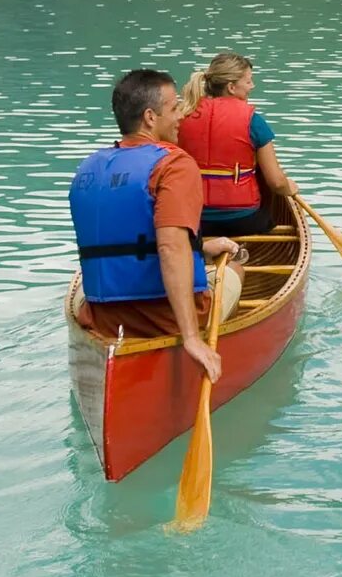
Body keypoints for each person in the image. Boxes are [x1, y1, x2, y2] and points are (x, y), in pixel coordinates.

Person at [70, 67, 248, 383]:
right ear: (151, 118)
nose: (181, 115)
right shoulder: (174, 165)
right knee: (235, 269)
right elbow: (169, 247)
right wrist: (191, 337)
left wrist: (202, 248)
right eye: (174, 107)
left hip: (102, 316)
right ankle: (205, 346)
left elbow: (132, 240)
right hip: (163, 318)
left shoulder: (88, 169)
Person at [176, 51, 297, 239]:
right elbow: (275, 182)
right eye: (248, 81)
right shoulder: (253, 121)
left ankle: (208, 252)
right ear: (231, 87)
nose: (252, 86)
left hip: (195, 220)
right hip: (244, 220)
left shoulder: (180, 117)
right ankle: (237, 252)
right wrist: (290, 188)